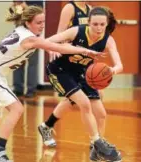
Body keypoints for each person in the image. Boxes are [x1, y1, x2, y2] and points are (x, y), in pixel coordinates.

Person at [0, 6, 102, 162]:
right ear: (27, 23)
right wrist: (86, 51)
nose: (42, 25)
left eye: (43, 22)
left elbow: (52, 45)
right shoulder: (29, 38)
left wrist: (78, 50)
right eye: (38, 22)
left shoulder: (23, 31)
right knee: (17, 108)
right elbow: (56, 46)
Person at [38, 6, 123, 162]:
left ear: (106, 24)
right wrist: (54, 48)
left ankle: (95, 150)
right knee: (84, 103)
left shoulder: (108, 39)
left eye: (102, 25)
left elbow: (119, 65)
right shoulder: (77, 31)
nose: (98, 28)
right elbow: (46, 41)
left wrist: (112, 70)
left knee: (101, 114)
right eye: (95, 24)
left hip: (83, 73)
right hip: (60, 71)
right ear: (88, 23)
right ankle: (98, 143)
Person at [7, 1, 43, 98]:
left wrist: (24, 6)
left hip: (33, 35)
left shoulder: (36, 2)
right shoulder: (19, 2)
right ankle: (18, 89)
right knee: (17, 62)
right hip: (19, 34)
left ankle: (31, 90)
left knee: (32, 64)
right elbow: (16, 16)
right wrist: (15, 8)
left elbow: (37, 16)